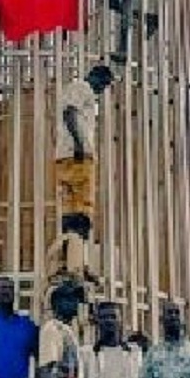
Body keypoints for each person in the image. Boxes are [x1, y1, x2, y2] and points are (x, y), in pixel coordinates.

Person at [52, 65, 114, 248]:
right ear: (94, 76)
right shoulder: (82, 88)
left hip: (66, 155)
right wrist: (79, 144)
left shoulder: (78, 90)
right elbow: (69, 112)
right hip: (77, 155)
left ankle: (71, 259)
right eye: (103, 83)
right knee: (82, 208)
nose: (102, 89)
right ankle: (77, 260)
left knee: (70, 208)